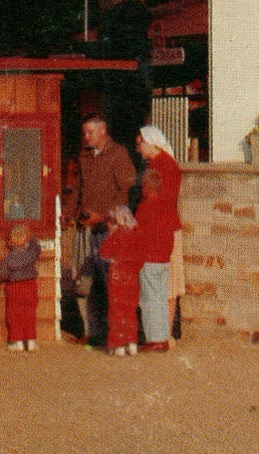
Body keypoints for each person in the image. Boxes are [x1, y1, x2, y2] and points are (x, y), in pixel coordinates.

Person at [64, 113, 137, 346]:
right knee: (84, 281)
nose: (86, 137)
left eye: (91, 132)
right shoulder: (84, 156)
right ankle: (91, 331)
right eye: (84, 132)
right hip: (85, 228)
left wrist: (105, 216)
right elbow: (78, 189)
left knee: (109, 280)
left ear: (103, 131)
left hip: (108, 229)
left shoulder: (119, 154)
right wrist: (68, 213)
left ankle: (114, 333)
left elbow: (126, 193)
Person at [135, 124, 182, 352]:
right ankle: (160, 336)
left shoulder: (164, 165)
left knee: (160, 289)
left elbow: (159, 205)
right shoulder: (157, 164)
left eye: (140, 143)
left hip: (158, 235)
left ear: (150, 142)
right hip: (162, 234)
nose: (138, 148)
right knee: (159, 288)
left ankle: (159, 337)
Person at [98, 205, 143, 356]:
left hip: (117, 277)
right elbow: (141, 258)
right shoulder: (136, 235)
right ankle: (132, 343)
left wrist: (110, 236)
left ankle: (119, 345)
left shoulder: (116, 236)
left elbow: (103, 253)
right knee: (130, 310)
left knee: (117, 311)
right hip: (132, 278)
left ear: (115, 222)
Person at [0, 223, 41, 352]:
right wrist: (31, 237)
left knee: (14, 315)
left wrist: (3, 278)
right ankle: (31, 341)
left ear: (10, 242)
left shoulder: (8, 259)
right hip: (30, 285)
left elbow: (2, 275)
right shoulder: (30, 255)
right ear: (26, 240)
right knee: (30, 313)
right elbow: (37, 248)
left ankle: (18, 342)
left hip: (14, 287)